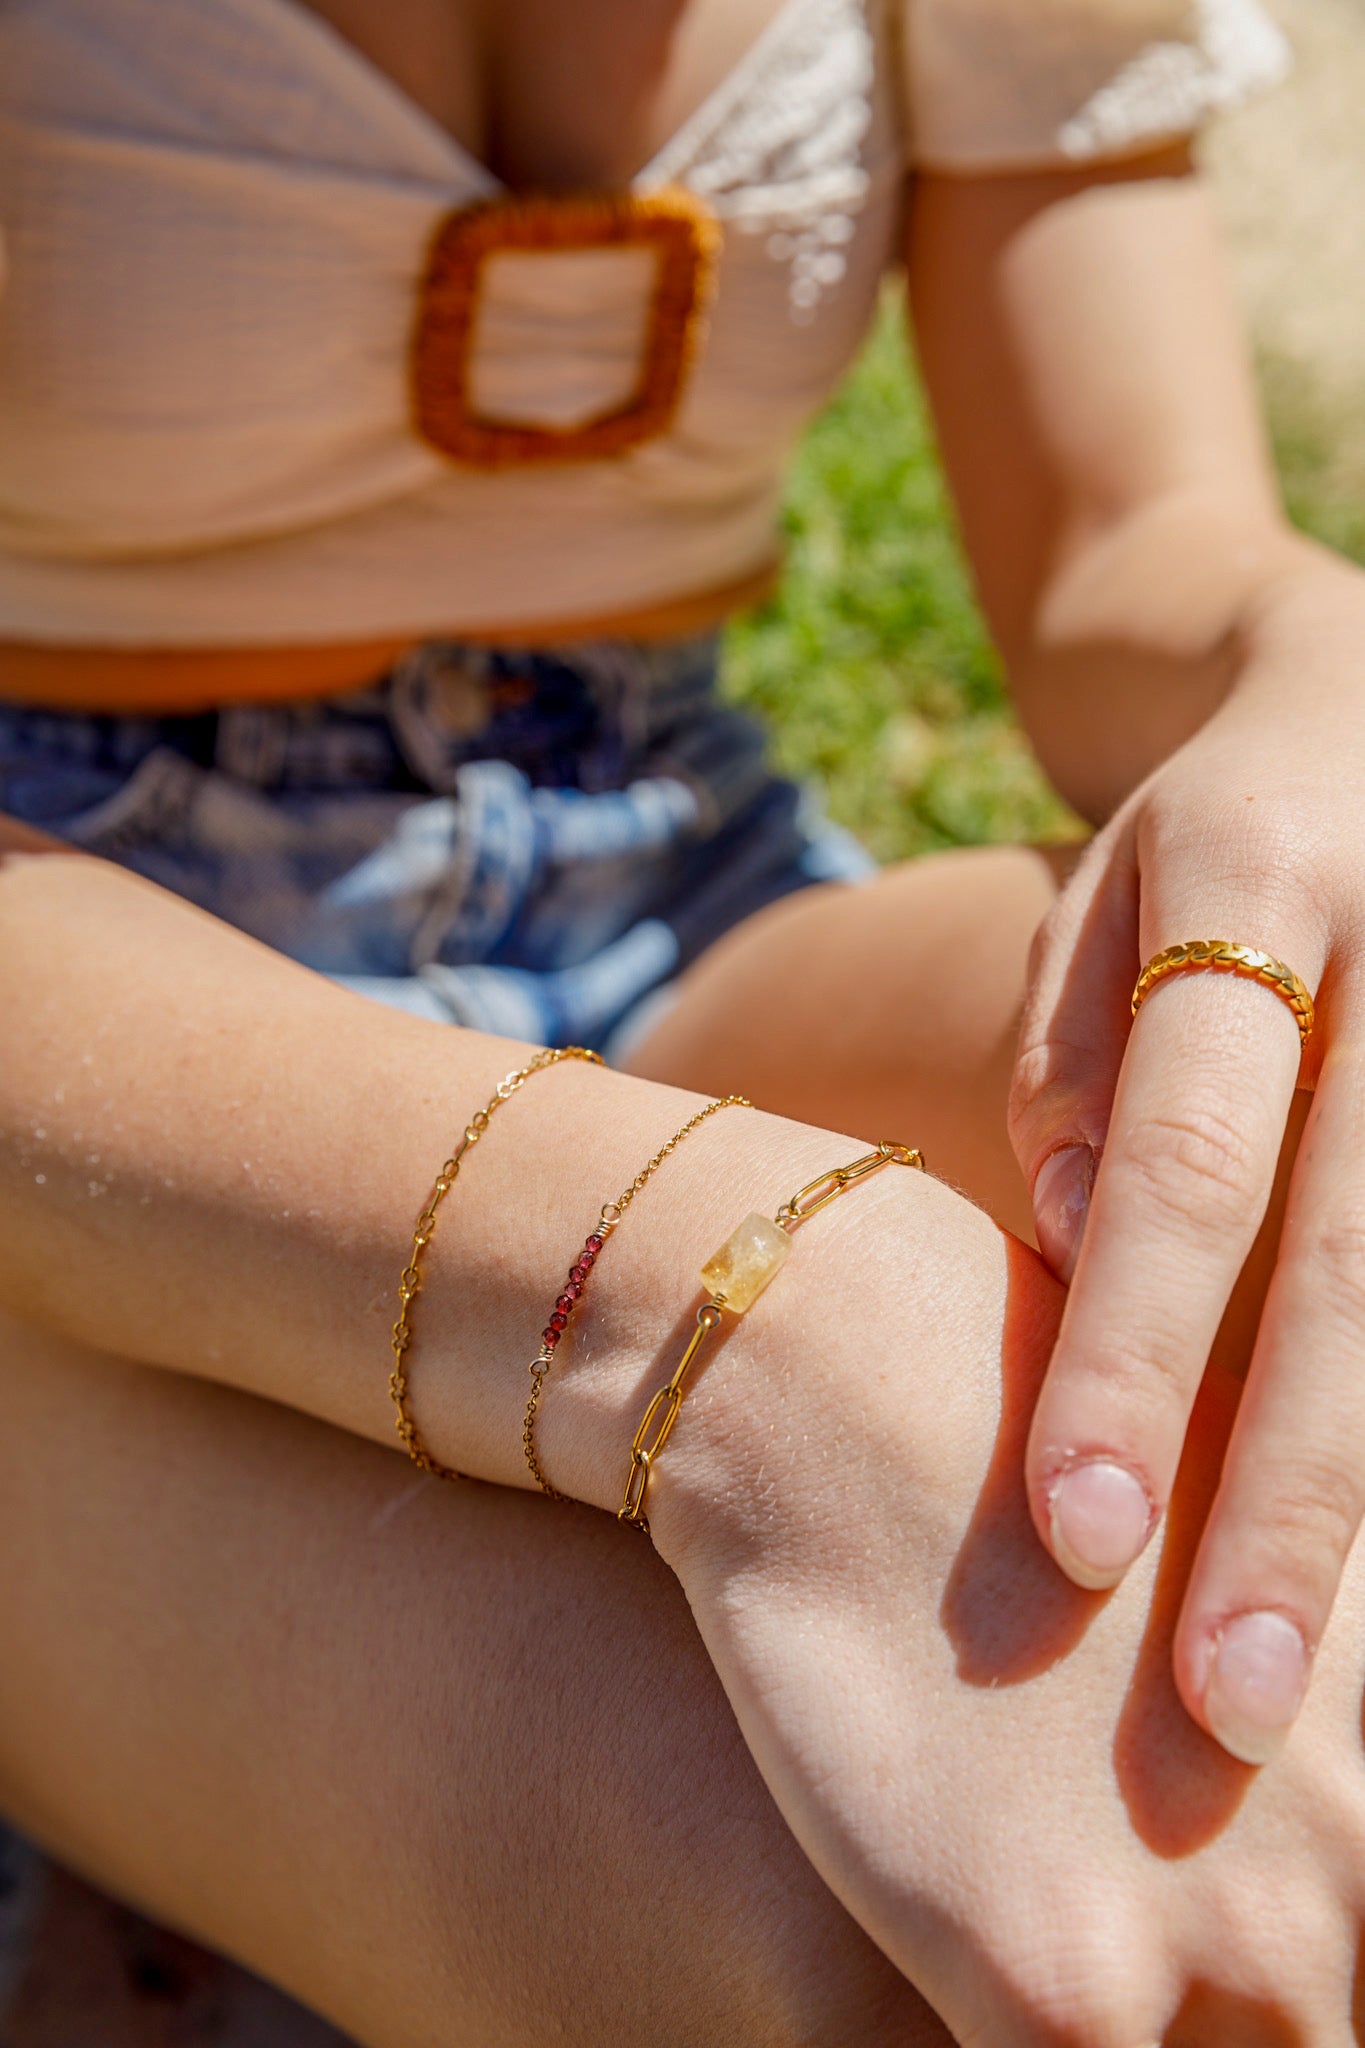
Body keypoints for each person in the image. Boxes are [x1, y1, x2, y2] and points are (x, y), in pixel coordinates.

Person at [3, 0, 1365, 2039]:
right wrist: (761, 1312)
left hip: (681, 884)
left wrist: (1313, 676)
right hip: (84, 1062)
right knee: (838, 1934)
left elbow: (1127, 540)